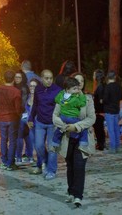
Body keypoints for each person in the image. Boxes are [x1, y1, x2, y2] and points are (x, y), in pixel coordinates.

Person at [53, 72, 96, 207]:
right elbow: (55, 116)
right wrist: (65, 126)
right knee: (70, 166)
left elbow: (91, 118)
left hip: (82, 137)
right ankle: (71, 192)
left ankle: (78, 195)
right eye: (76, 82)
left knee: (79, 166)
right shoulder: (63, 99)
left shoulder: (88, 99)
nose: (79, 84)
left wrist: (76, 126)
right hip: (67, 137)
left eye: (81, 82)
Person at [28, 69, 62, 180]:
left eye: (51, 78)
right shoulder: (38, 89)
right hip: (40, 123)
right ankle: (46, 161)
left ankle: (51, 170)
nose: (49, 80)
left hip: (52, 124)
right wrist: (31, 118)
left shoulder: (57, 90)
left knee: (52, 148)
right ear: (42, 79)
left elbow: (61, 107)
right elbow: (35, 105)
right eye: (46, 78)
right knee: (38, 146)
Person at [0, 70, 23, 171]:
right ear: (13, 79)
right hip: (13, 119)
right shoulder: (16, 92)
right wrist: (19, 115)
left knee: (3, 140)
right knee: (13, 141)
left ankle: (4, 161)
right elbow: (18, 108)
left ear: (4, 78)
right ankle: (10, 163)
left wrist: (0, 112)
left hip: (2, 118)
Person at [51, 77, 88, 150]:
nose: (77, 90)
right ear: (68, 89)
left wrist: (62, 97)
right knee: (83, 128)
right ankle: (83, 142)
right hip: (72, 118)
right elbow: (82, 103)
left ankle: (55, 142)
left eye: (77, 88)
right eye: (75, 89)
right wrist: (82, 95)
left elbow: (56, 99)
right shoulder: (75, 98)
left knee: (59, 129)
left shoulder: (62, 95)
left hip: (62, 117)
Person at [14, 71, 33, 164]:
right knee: (26, 135)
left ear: (23, 78)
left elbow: (23, 102)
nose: (17, 79)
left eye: (19, 77)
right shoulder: (21, 87)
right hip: (23, 114)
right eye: (16, 77)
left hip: (22, 114)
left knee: (20, 136)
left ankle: (18, 157)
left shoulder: (23, 88)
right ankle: (29, 156)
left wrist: (19, 113)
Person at [103, 70, 122, 154]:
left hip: (109, 111)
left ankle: (112, 148)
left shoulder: (107, 87)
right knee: (116, 129)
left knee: (111, 130)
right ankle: (117, 146)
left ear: (108, 77)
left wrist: (102, 101)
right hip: (116, 110)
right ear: (115, 77)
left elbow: (105, 99)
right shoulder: (119, 86)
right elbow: (121, 97)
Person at [92, 70, 106, 150]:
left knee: (98, 128)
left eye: (94, 75)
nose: (93, 76)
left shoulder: (100, 86)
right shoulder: (101, 85)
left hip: (99, 111)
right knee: (99, 128)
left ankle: (100, 144)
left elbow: (101, 100)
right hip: (99, 110)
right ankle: (100, 143)